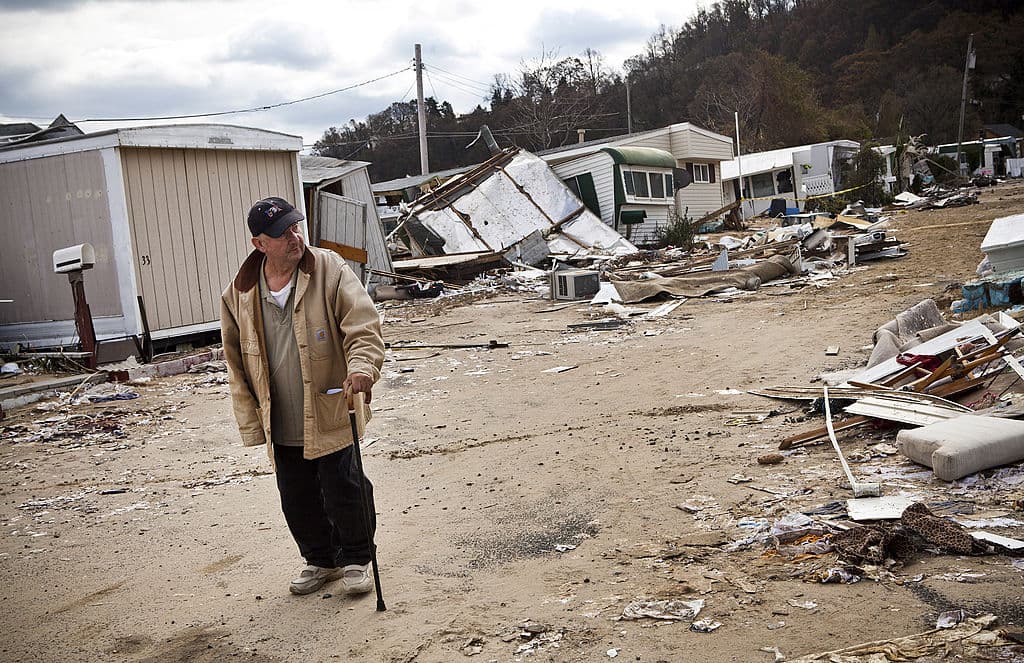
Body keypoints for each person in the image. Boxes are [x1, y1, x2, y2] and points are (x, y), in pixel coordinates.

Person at [220, 196, 385, 596]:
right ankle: (320, 560)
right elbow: (235, 360)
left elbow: (362, 324)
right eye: (283, 233)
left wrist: (362, 366)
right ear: (260, 244)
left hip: (330, 403)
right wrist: (250, 418)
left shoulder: (328, 268)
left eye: (296, 227)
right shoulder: (239, 293)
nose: (295, 238)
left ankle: (357, 559)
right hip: (279, 416)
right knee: (296, 496)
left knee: (343, 486)